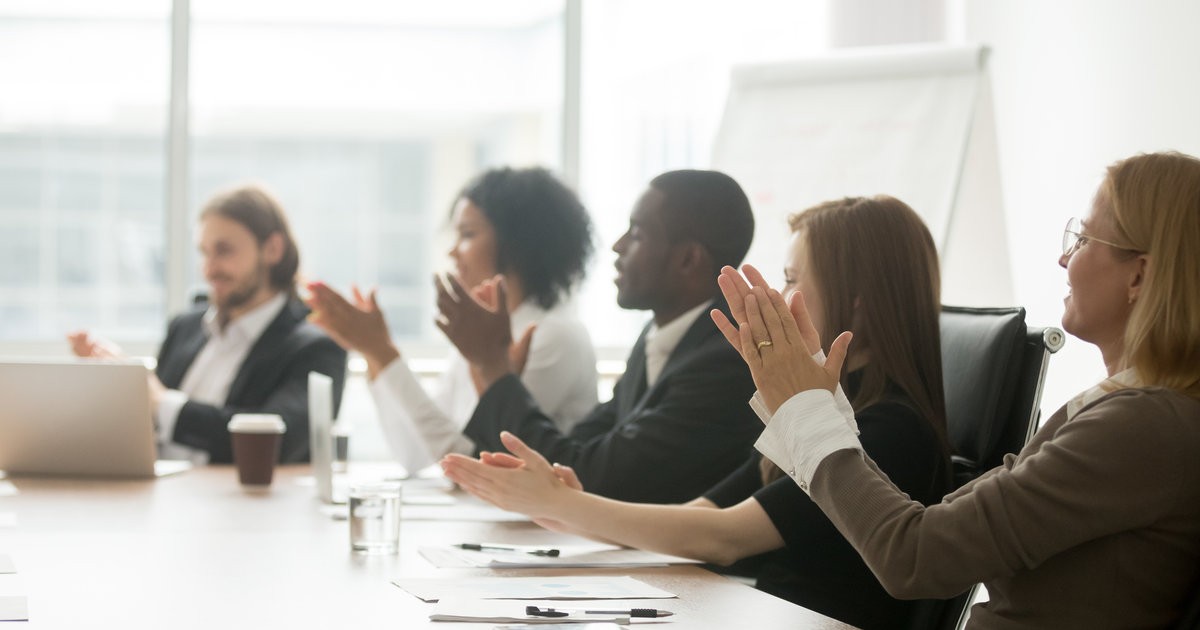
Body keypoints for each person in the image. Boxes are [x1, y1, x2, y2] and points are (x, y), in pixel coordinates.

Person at [726, 152, 1200, 628]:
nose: (1064, 257)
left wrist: (806, 411)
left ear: (1138, 275)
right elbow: (927, 529)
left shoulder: (1141, 429)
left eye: (1082, 238)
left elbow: (913, 557)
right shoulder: (1130, 414)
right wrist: (815, 407)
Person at [442, 196, 953, 628]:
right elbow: (704, 513)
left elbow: (724, 537)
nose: (777, 294)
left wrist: (568, 506)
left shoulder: (890, 428)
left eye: (793, 279)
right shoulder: (825, 409)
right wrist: (561, 507)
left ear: (858, 303)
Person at [435, 170, 762, 504]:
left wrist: (495, 372)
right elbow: (573, 455)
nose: (618, 245)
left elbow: (592, 479)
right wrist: (496, 377)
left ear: (688, 260)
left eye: (636, 233)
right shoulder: (660, 336)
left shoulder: (725, 359)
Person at [306, 167, 598, 473]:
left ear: (518, 244)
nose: (452, 251)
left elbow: (472, 464)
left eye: (468, 234)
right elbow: (414, 454)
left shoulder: (554, 337)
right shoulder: (485, 334)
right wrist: (373, 354)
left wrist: (383, 352)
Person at [69, 185, 347, 464]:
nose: (209, 268)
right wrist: (119, 382)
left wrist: (161, 403)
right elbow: (148, 426)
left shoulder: (315, 346)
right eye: (204, 253)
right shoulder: (184, 327)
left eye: (224, 251)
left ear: (272, 249)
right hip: (155, 498)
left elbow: (277, 439)